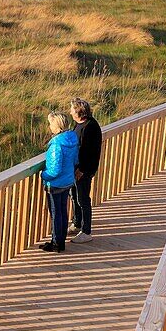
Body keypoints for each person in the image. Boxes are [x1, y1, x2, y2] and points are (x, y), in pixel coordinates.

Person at [40, 112, 79, 253]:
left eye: (51, 123)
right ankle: (59, 240)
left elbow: (54, 170)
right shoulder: (72, 140)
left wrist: (43, 175)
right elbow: (75, 161)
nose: (49, 126)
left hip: (55, 184)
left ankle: (56, 243)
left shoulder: (56, 145)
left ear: (56, 126)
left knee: (56, 213)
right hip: (68, 181)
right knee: (62, 211)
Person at [69, 98, 102, 244]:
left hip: (84, 170)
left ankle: (86, 231)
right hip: (76, 169)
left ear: (78, 112)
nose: (70, 111)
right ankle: (77, 224)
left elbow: (90, 152)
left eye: (72, 109)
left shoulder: (90, 127)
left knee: (83, 199)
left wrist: (82, 170)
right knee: (75, 197)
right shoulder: (80, 124)